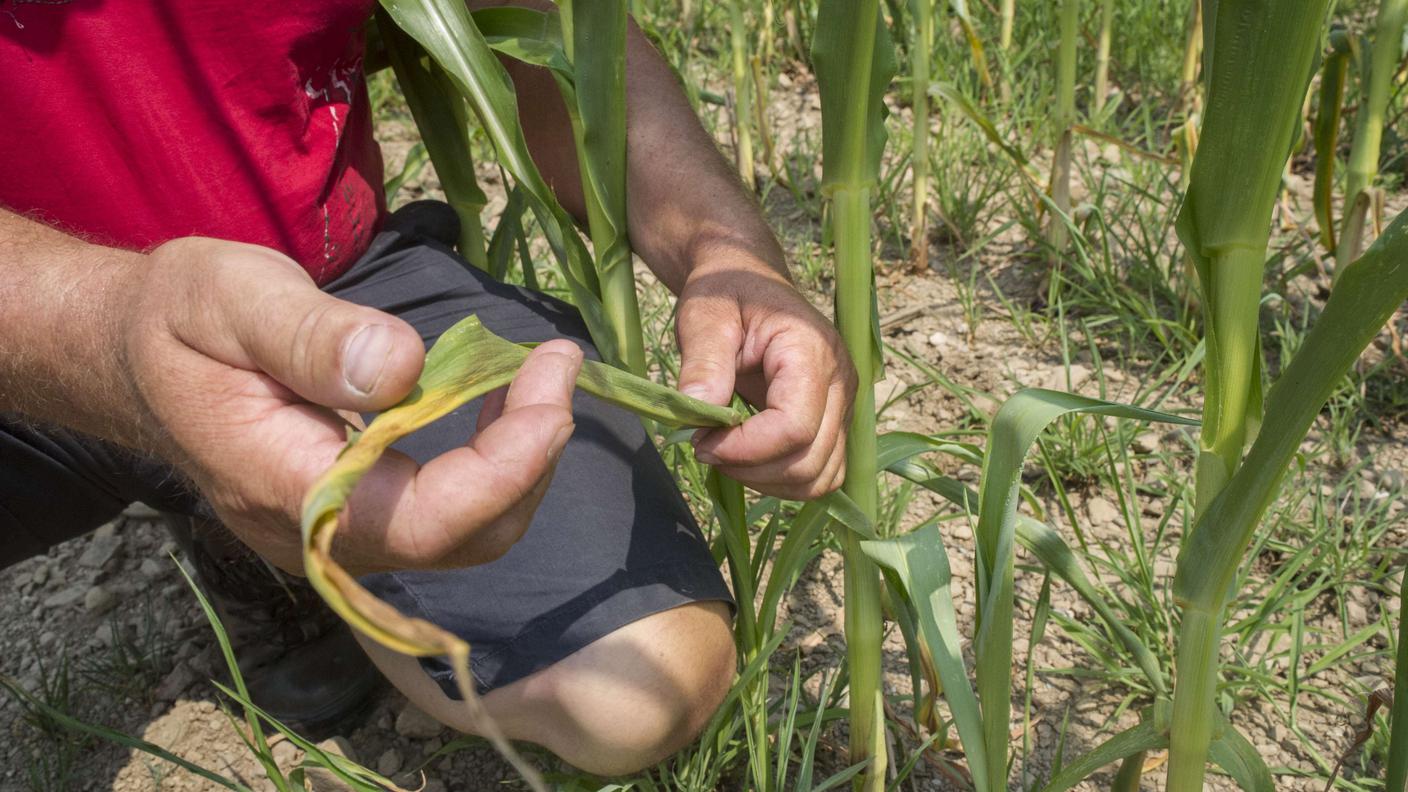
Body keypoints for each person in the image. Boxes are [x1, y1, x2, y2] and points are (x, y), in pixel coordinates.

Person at [0, 0, 856, 777]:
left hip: (325, 288)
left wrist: (727, 253)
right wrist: (111, 334)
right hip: (25, 322)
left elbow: (553, 39)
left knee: (643, 681)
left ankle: (250, 532)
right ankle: (235, 508)